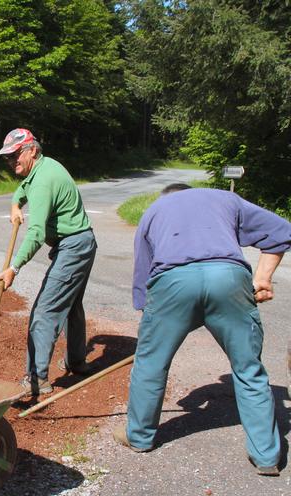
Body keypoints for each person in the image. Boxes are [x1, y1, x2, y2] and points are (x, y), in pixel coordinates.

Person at [114, 183, 290, 476]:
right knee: (248, 368)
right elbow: (281, 232)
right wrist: (263, 278)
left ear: (166, 197)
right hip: (228, 277)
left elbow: (142, 280)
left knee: (150, 364)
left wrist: (154, 335)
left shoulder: (153, 211)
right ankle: (266, 456)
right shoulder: (225, 199)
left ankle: (139, 437)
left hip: (172, 282)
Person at [0, 128, 96, 396]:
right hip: (80, 244)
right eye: (7, 157)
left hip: (73, 247)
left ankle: (36, 379)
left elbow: (36, 232)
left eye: (16, 155)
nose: (11, 161)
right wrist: (15, 204)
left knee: (44, 311)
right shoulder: (41, 169)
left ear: (32, 151)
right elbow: (23, 188)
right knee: (71, 305)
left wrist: (13, 268)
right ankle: (76, 360)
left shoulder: (43, 181)